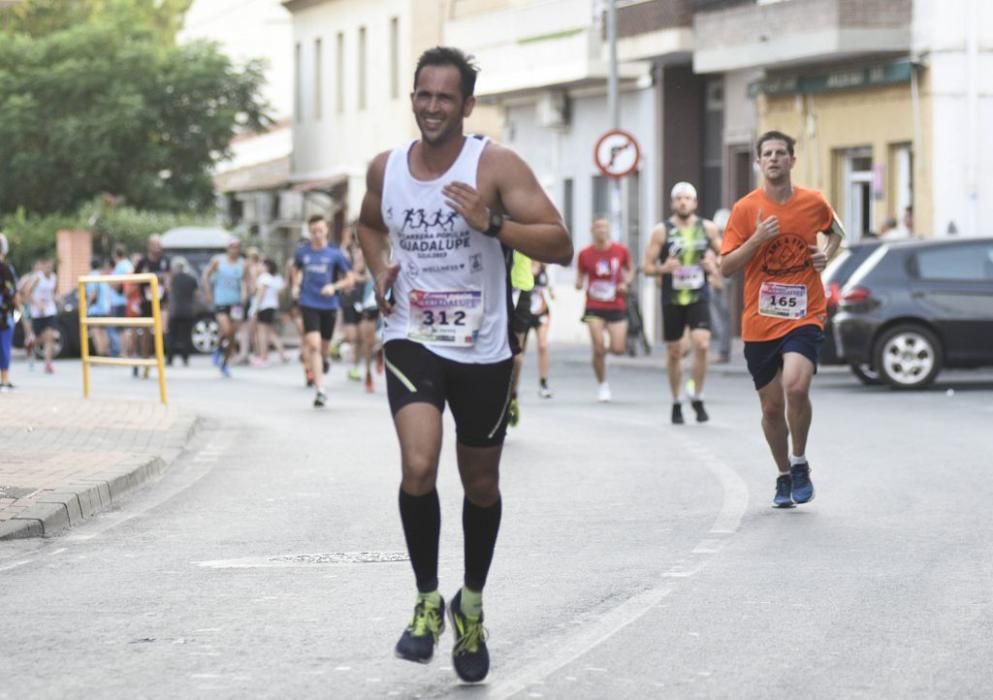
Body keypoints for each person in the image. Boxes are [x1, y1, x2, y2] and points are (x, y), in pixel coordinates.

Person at [357, 46, 572, 683]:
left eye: (445, 98)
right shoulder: (386, 168)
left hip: (482, 347)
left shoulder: (496, 164)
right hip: (412, 336)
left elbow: (559, 242)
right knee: (419, 466)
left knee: (480, 485)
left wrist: (494, 221)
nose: (431, 107)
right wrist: (379, 269)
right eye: (423, 94)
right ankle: (426, 601)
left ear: (467, 105)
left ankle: (468, 604)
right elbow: (368, 225)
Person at [719, 130, 844, 508]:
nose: (773, 159)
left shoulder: (813, 202)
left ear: (792, 160)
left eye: (780, 153)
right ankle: (783, 474)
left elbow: (836, 233)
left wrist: (827, 256)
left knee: (796, 386)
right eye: (766, 154)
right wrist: (756, 239)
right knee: (772, 408)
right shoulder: (745, 209)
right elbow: (726, 267)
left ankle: (800, 460)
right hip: (759, 319)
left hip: (804, 312)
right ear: (758, 163)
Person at [643, 182, 721, 424]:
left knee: (702, 343)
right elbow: (646, 267)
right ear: (672, 203)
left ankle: (697, 395)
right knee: (675, 351)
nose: (683, 203)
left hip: (699, 294)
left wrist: (713, 264)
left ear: (695, 203)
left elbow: (725, 255)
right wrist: (662, 269)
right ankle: (676, 400)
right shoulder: (661, 231)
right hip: (672, 297)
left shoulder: (707, 228)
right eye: (679, 199)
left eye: (688, 198)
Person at [292, 215, 353, 407]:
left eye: (320, 230)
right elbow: (295, 269)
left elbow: (349, 279)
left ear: (326, 230)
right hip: (309, 303)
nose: (317, 235)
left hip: (329, 306)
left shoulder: (335, 254)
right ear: (309, 232)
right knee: (314, 346)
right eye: (313, 231)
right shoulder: (303, 252)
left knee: (324, 348)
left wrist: (333, 287)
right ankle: (320, 390)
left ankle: (324, 360)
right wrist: (296, 284)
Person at [576, 216, 633, 403]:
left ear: (609, 230)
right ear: (592, 230)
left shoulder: (620, 250)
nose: (601, 230)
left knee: (618, 349)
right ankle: (602, 384)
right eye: (598, 227)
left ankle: (601, 355)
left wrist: (626, 283)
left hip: (616, 304)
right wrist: (578, 283)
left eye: (605, 227)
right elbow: (580, 275)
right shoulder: (585, 254)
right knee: (598, 347)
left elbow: (630, 269)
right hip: (594, 305)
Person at [202, 238, 246, 378]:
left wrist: (245, 295)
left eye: (237, 247)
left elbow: (245, 281)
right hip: (221, 301)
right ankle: (218, 349)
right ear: (227, 248)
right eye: (232, 246)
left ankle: (225, 362)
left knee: (232, 335)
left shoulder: (242, 263)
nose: (234, 249)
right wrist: (208, 292)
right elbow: (205, 275)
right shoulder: (218, 261)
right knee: (226, 330)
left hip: (236, 303)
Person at [134, 235, 170, 377]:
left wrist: (165, 282)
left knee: (161, 330)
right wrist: (145, 277)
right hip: (147, 303)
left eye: (159, 244)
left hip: (161, 301)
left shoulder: (165, 260)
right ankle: (144, 360)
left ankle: (158, 358)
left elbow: (168, 278)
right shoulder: (142, 262)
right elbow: (134, 280)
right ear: (149, 246)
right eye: (155, 244)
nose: (157, 247)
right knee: (146, 335)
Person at [506, 250, 535, 426]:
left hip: (520, 287)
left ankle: (513, 396)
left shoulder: (522, 222)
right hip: (489, 288)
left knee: (515, 355)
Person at [24, 256, 58, 374]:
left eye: (50, 266)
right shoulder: (37, 278)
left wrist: (54, 299)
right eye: (46, 266)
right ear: (42, 267)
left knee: (50, 336)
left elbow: (52, 293)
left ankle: (48, 363)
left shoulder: (54, 278)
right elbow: (27, 292)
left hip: (49, 311)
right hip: (37, 313)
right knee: (39, 339)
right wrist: (37, 303)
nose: (48, 268)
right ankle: (30, 344)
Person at [527, 260, 554, 398]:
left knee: (543, 345)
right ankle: (512, 388)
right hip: (523, 312)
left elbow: (549, 289)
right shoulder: (521, 264)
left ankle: (543, 383)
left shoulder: (545, 266)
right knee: (518, 353)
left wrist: (551, 292)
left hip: (541, 312)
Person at [252, 258, 287, 366]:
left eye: (262, 265)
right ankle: (282, 353)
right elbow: (281, 292)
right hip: (272, 306)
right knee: (270, 332)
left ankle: (263, 356)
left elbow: (261, 293)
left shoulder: (264, 278)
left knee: (262, 333)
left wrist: (256, 308)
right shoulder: (275, 278)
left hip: (264, 307)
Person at [709, 208, 733, 364]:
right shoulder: (716, 240)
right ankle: (722, 351)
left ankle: (723, 351)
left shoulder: (728, 240)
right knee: (719, 317)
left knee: (722, 317)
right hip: (716, 280)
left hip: (720, 280)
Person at [167, 257, 198, 367]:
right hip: (188, 311)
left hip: (175, 310)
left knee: (172, 336)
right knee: (186, 336)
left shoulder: (174, 279)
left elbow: (168, 290)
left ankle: (169, 359)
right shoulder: (191, 279)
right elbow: (197, 294)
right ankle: (185, 358)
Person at [107, 244, 133, 357]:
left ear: (115, 255)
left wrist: (110, 283)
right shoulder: (129, 264)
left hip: (120, 301)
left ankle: (124, 352)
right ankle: (128, 351)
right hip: (128, 301)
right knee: (127, 328)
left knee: (122, 329)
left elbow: (115, 284)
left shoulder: (120, 266)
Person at [0, 233, 18, 391]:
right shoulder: (7, 269)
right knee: (4, 347)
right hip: (4, 315)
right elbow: (13, 293)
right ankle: (4, 379)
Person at [84, 258, 113, 357]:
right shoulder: (103, 276)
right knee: (103, 332)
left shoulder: (91, 276)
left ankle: (100, 354)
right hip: (104, 309)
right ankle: (106, 353)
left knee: (96, 332)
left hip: (95, 309)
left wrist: (86, 305)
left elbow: (92, 294)